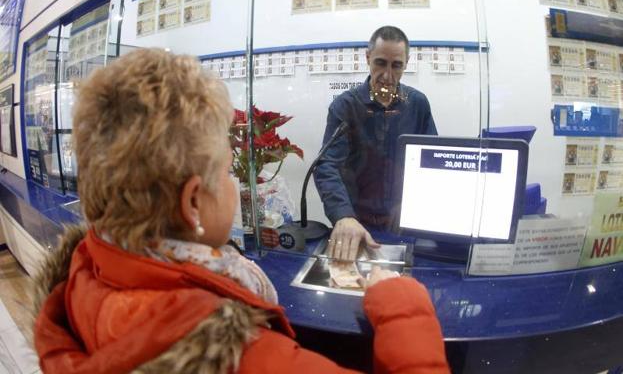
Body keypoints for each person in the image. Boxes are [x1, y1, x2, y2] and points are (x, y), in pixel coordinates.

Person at [31, 48, 449, 373]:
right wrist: (401, 302)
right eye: (227, 168)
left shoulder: (79, 282)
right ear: (194, 205)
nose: (238, 177)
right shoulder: (249, 359)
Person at [314, 26, 437, 261]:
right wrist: (343, 215)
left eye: (396, 65)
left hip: (403, 223)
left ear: (406, 63)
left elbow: (429, 163)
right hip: (356, 223)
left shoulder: (418, 104)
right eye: (380, 63)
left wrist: (411, 206)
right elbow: (326, 165)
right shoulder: (345, 106)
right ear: (367, 57)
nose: (388, 75)